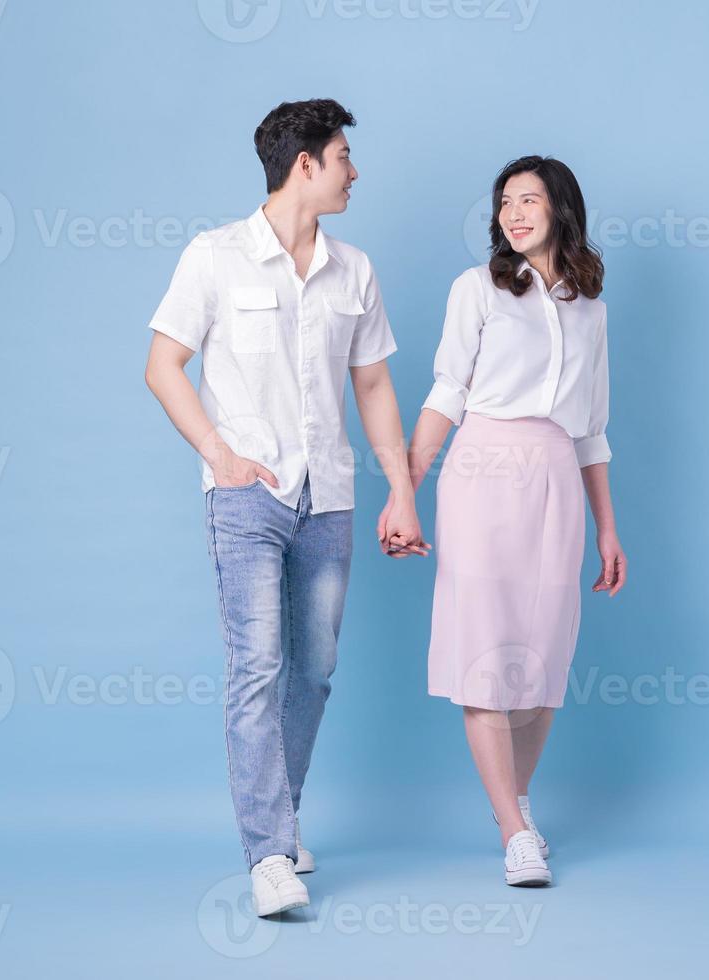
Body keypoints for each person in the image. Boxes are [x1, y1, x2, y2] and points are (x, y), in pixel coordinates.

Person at [144, 99, 426, 917]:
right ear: (305, 164)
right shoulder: (216, 257)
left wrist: (401, 488)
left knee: (315, 670)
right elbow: (164, 364)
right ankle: (269, 853)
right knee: (258, 669)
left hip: (328, 497)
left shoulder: (355, 270)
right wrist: (219, 454)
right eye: (343, 156)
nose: (354, 171)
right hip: (248, 501)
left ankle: (281, 816)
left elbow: (372, 384)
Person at [384, 155, 627, 887]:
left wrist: (608, 529)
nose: (514, 214)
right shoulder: (478, 289)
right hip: (484, 473)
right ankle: (515, 831)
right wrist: (405, 489)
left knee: (543, 664)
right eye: (505, 203)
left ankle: (514, 801)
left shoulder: (591, 308)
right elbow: (448, 390)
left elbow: (592, 431)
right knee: (486, 653)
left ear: (561, 209)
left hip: (556, 478)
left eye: (529, 200)